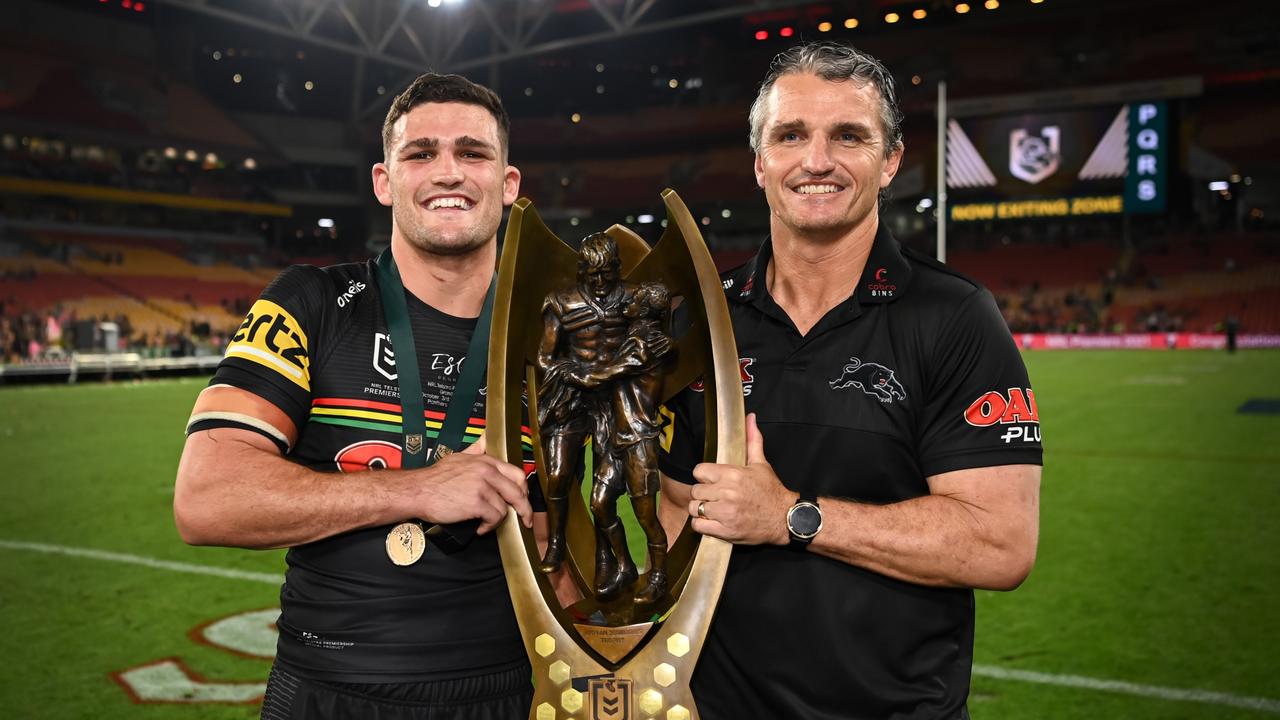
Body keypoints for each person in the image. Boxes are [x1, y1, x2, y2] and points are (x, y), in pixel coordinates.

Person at [658, 42, 1042, 719]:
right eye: (790, 135)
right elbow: (672, 509)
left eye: (849, 136)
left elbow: (1001, 544)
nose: (816, 161)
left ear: (890, 160)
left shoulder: (954, 316)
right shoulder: (701, 322)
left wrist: (791, 517)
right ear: (759, 162)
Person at [174, 73, 543, 720]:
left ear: (509, 185)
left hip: (510, 690)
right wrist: (419, 487)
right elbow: (205, 499)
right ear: (384, 180)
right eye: (421, 153)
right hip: (328, 691)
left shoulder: (555, 340)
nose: (448, 172)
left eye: (474, 153)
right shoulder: (309, 303)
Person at [535, 233, 638, 599]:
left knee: (603, 492)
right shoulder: (561, 303)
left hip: (614, 403)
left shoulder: (632, 299)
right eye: (591, 274)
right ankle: (557, 541)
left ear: (617, 270)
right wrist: (573, 371)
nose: (599, 282)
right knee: (558, 475)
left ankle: (608, 559)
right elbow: (545, 357)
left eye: (606, 273)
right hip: (572, 398)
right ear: (581, 270)